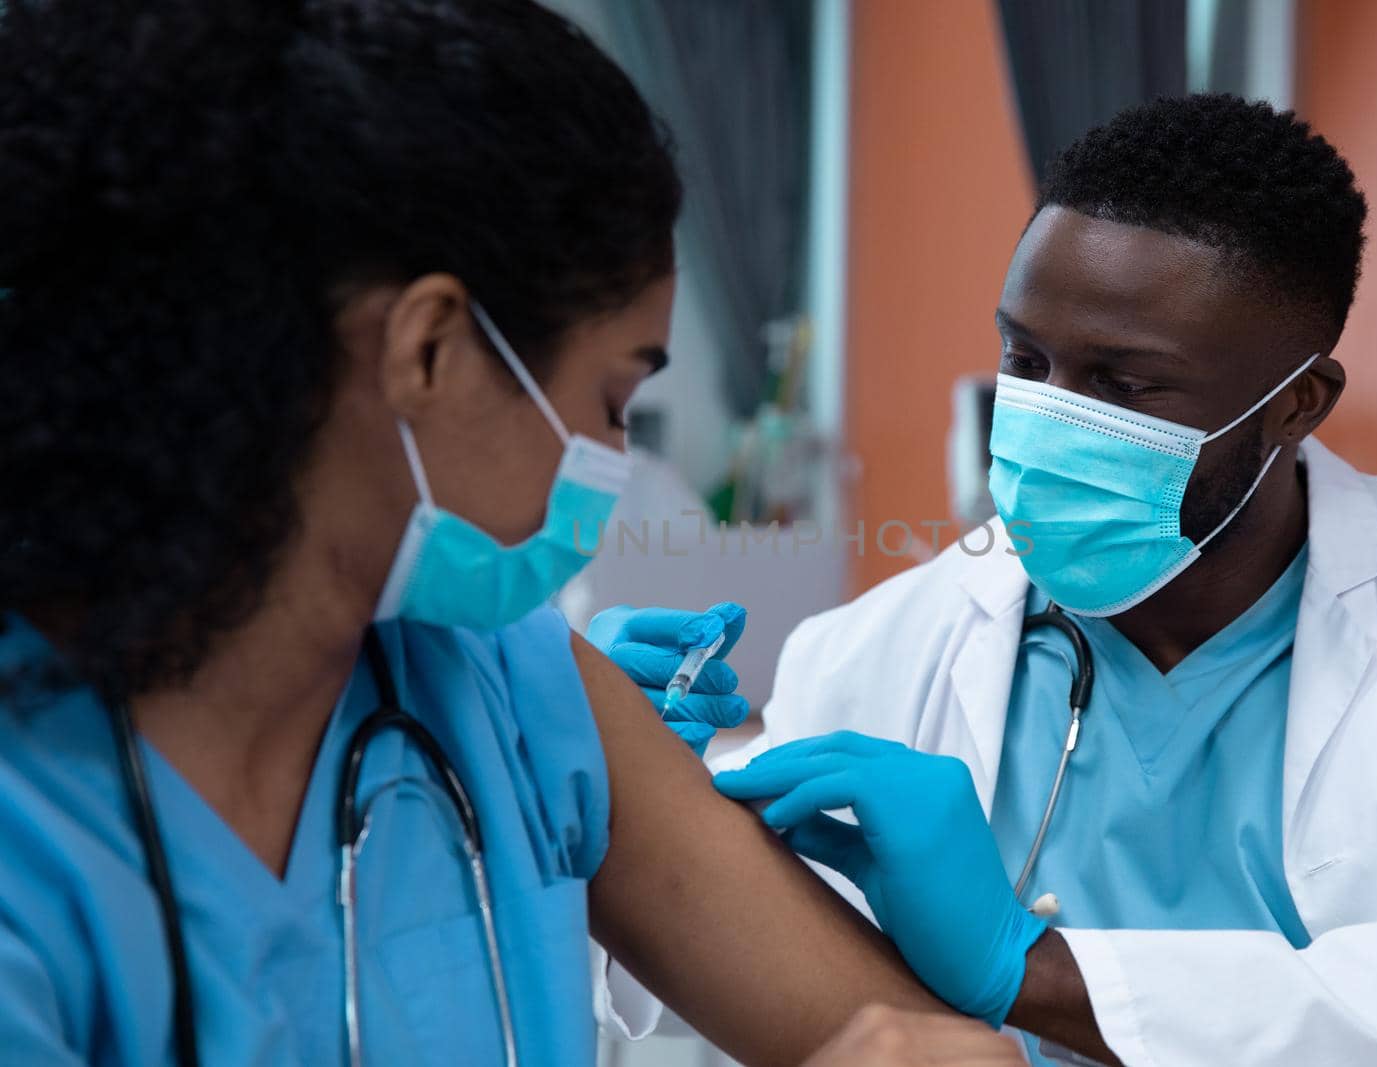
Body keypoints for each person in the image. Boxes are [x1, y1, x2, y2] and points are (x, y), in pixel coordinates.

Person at [0, 3, 1028, 1065]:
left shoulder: (504, 681)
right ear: (432, 349)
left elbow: (915, 1047)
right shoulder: (30, 812)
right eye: (611, 402)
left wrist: (1010, 980)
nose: (609, 466)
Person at [600, 96, 1377, 1064]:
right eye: (1024, 359)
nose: (1046, 417)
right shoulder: (881, 646)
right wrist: (612, 794)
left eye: (1122, 385)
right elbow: (704, 969)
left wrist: (1030, 969)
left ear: (1296, 402)